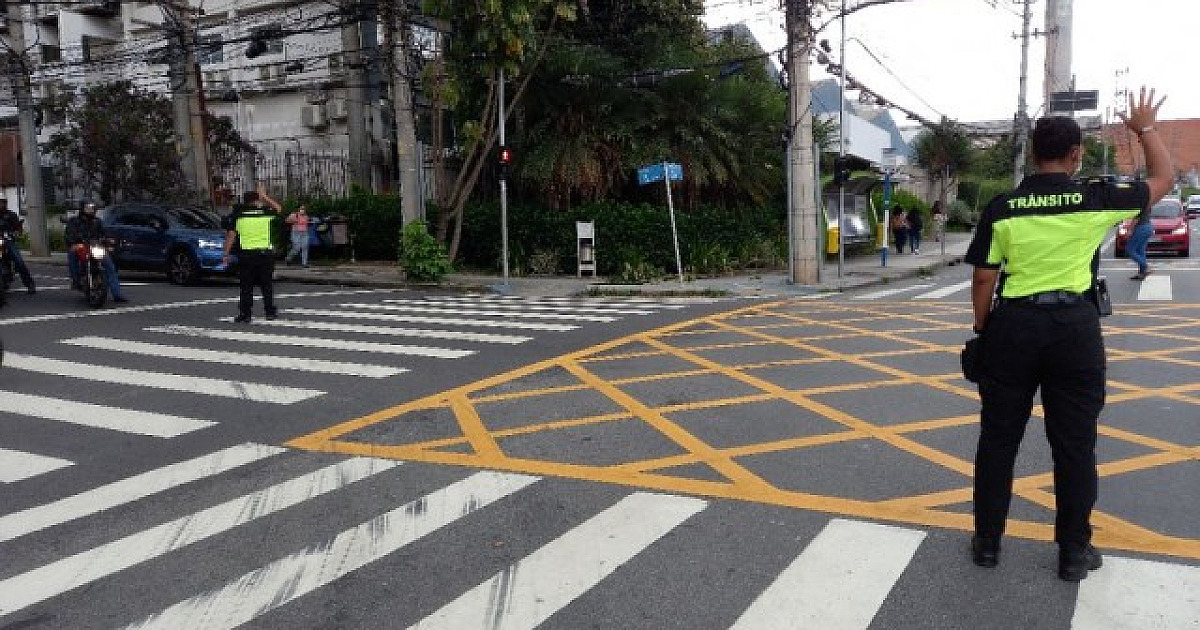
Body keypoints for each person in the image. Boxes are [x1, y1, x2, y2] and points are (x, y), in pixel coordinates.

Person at [964, 87, 1172, 582]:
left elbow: (983, 279)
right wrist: (1144, 128)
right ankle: (1074, 553)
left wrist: (983, 328)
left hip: (1014, 327)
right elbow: (1163, 179)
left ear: (1034, 152)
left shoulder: (1004, 206)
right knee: (1075, 445)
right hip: (1074, 332)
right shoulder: (1095, 198)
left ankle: (988, 544)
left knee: (998, 440)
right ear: (1076, 154)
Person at [222, 182, 282, 323]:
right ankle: (270, 312)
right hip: (265, 254)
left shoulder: (238, 215)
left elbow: (231, 235)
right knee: (266, 285)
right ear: (257, 200)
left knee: (246, 286)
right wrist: (265, 197)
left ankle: (246, 314)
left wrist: (225, 254)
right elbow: (279, 209)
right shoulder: (265, 213)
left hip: (247, 255)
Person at [65, 202, 127, 303]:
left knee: (110, 266)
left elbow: (103, 234)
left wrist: (108, 240)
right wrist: (74, 241)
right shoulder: (74, 221)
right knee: (72, 253)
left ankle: (117, 294)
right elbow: (69, 234)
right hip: (82, 246)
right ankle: (75, 280)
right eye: (88, 207)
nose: (90, 210)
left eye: (92, 208)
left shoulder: (97, 221)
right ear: (82, 208)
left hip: (95, 246)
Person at [0, 198, 35, 294]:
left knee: (18, 260)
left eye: (2, 202)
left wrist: (17, 233)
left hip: (8, 241)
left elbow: (18, 228)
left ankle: (30, 284)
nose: (1, 204)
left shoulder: (11, 215)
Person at [1126, 202, 1154, 280]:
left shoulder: (1139, 203)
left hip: (1141, 228)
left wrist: (1130, 230)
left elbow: (1136, 218)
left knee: (1130, 250)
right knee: (1140, 251)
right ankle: (1142, 273)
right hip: (1148, 226)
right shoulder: (1148, 203)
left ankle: (1146, 267)